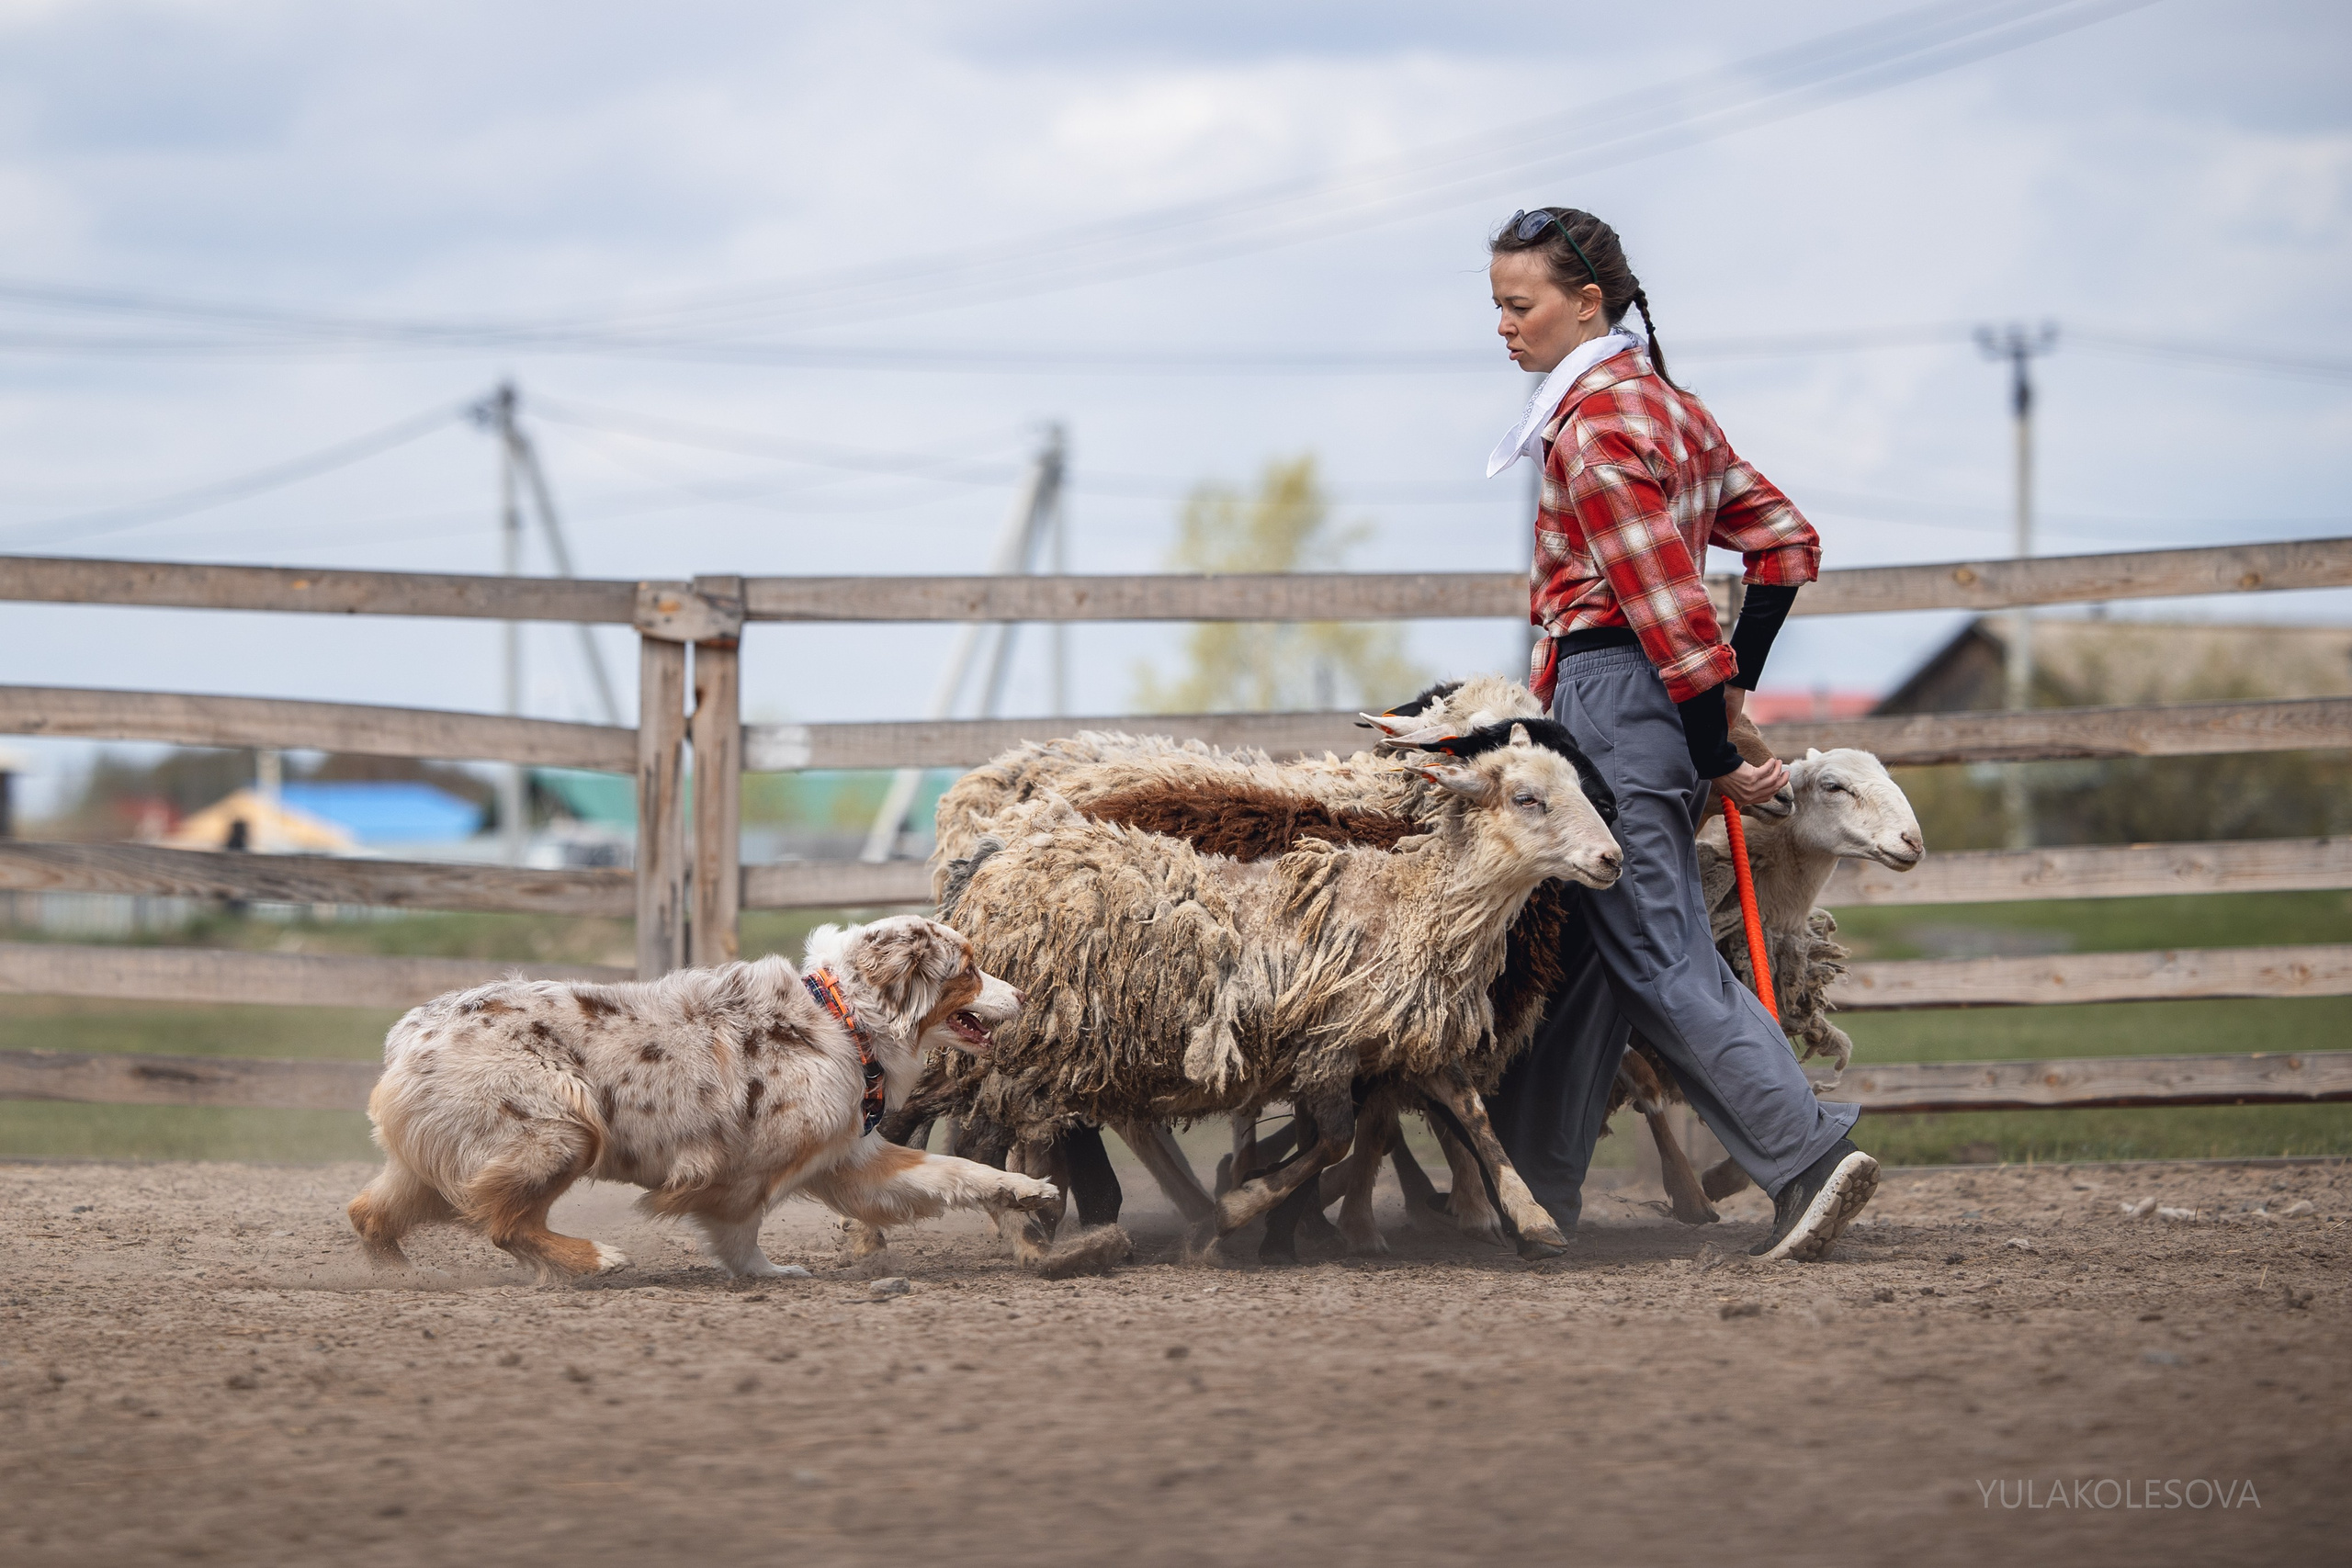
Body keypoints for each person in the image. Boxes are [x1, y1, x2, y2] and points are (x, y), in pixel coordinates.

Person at [1479, 206, 1876, 1262]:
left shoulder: (1598, 429)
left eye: (1519, 307)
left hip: (1612, 695)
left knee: (1656, 945)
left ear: (1587, 302)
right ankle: (1531, 1182)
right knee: (1597, 951)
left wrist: (1716, 732)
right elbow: (1784, 544)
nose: (1504, 328)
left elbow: (1668, 608)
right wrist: (1716, 709)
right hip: (1652, 701)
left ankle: (1802, 1156)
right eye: (1497, 308)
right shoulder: (1672, 409)